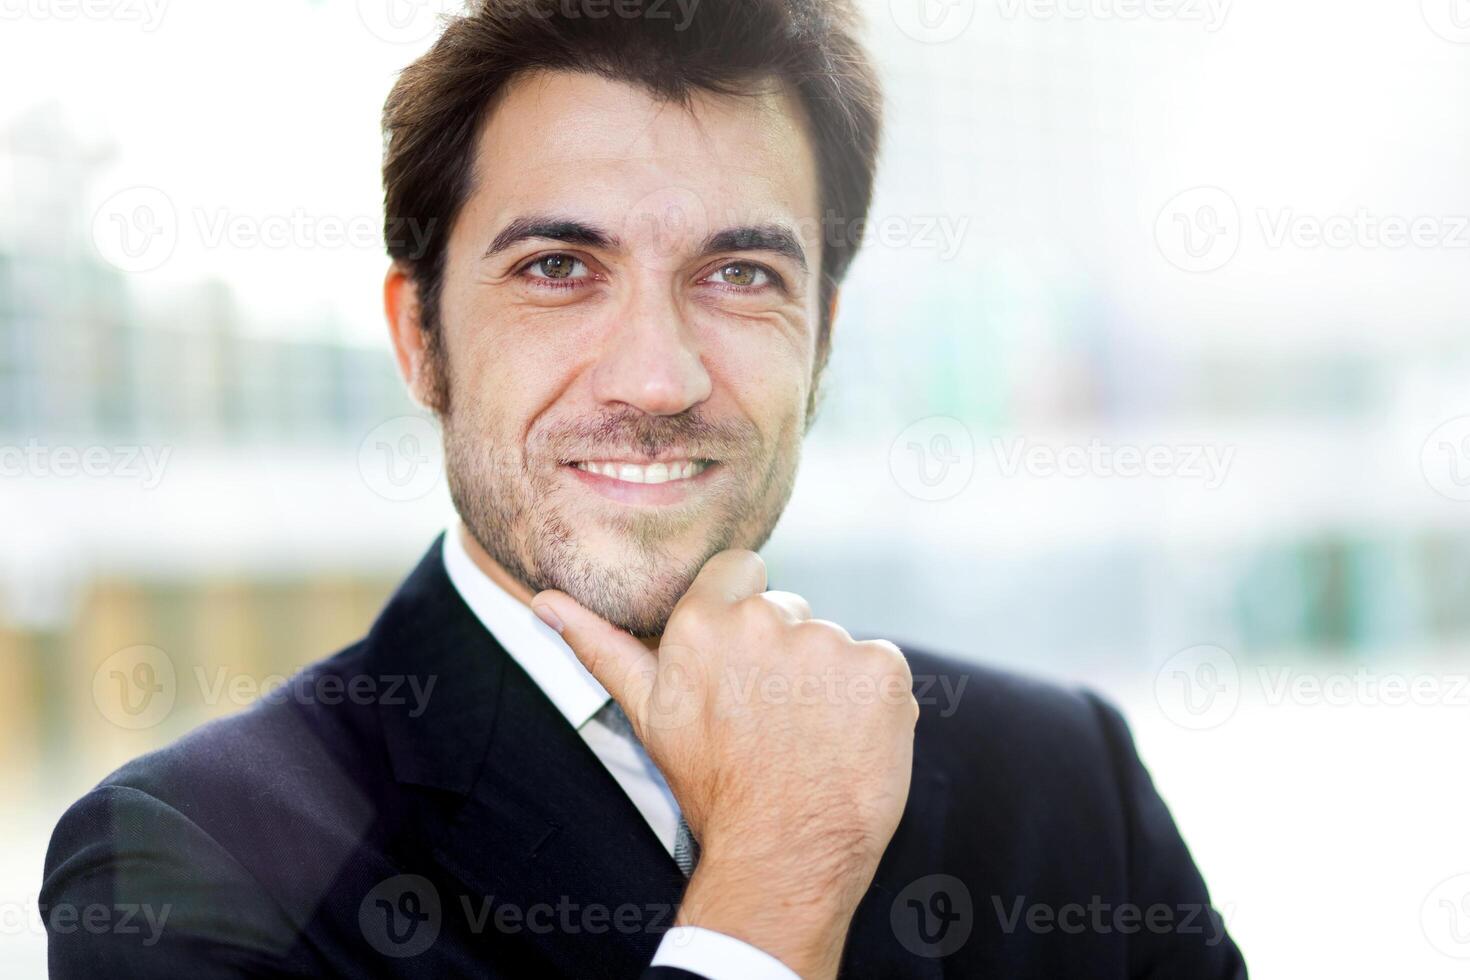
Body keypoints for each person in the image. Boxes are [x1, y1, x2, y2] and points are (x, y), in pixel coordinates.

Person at [41, 1, 1246, 976]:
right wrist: (776, 886)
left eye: (739, 271)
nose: (658, 377)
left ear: (820, 339)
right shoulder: (190, 859)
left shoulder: (1060, 776)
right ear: (420, 340)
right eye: (559, 267)